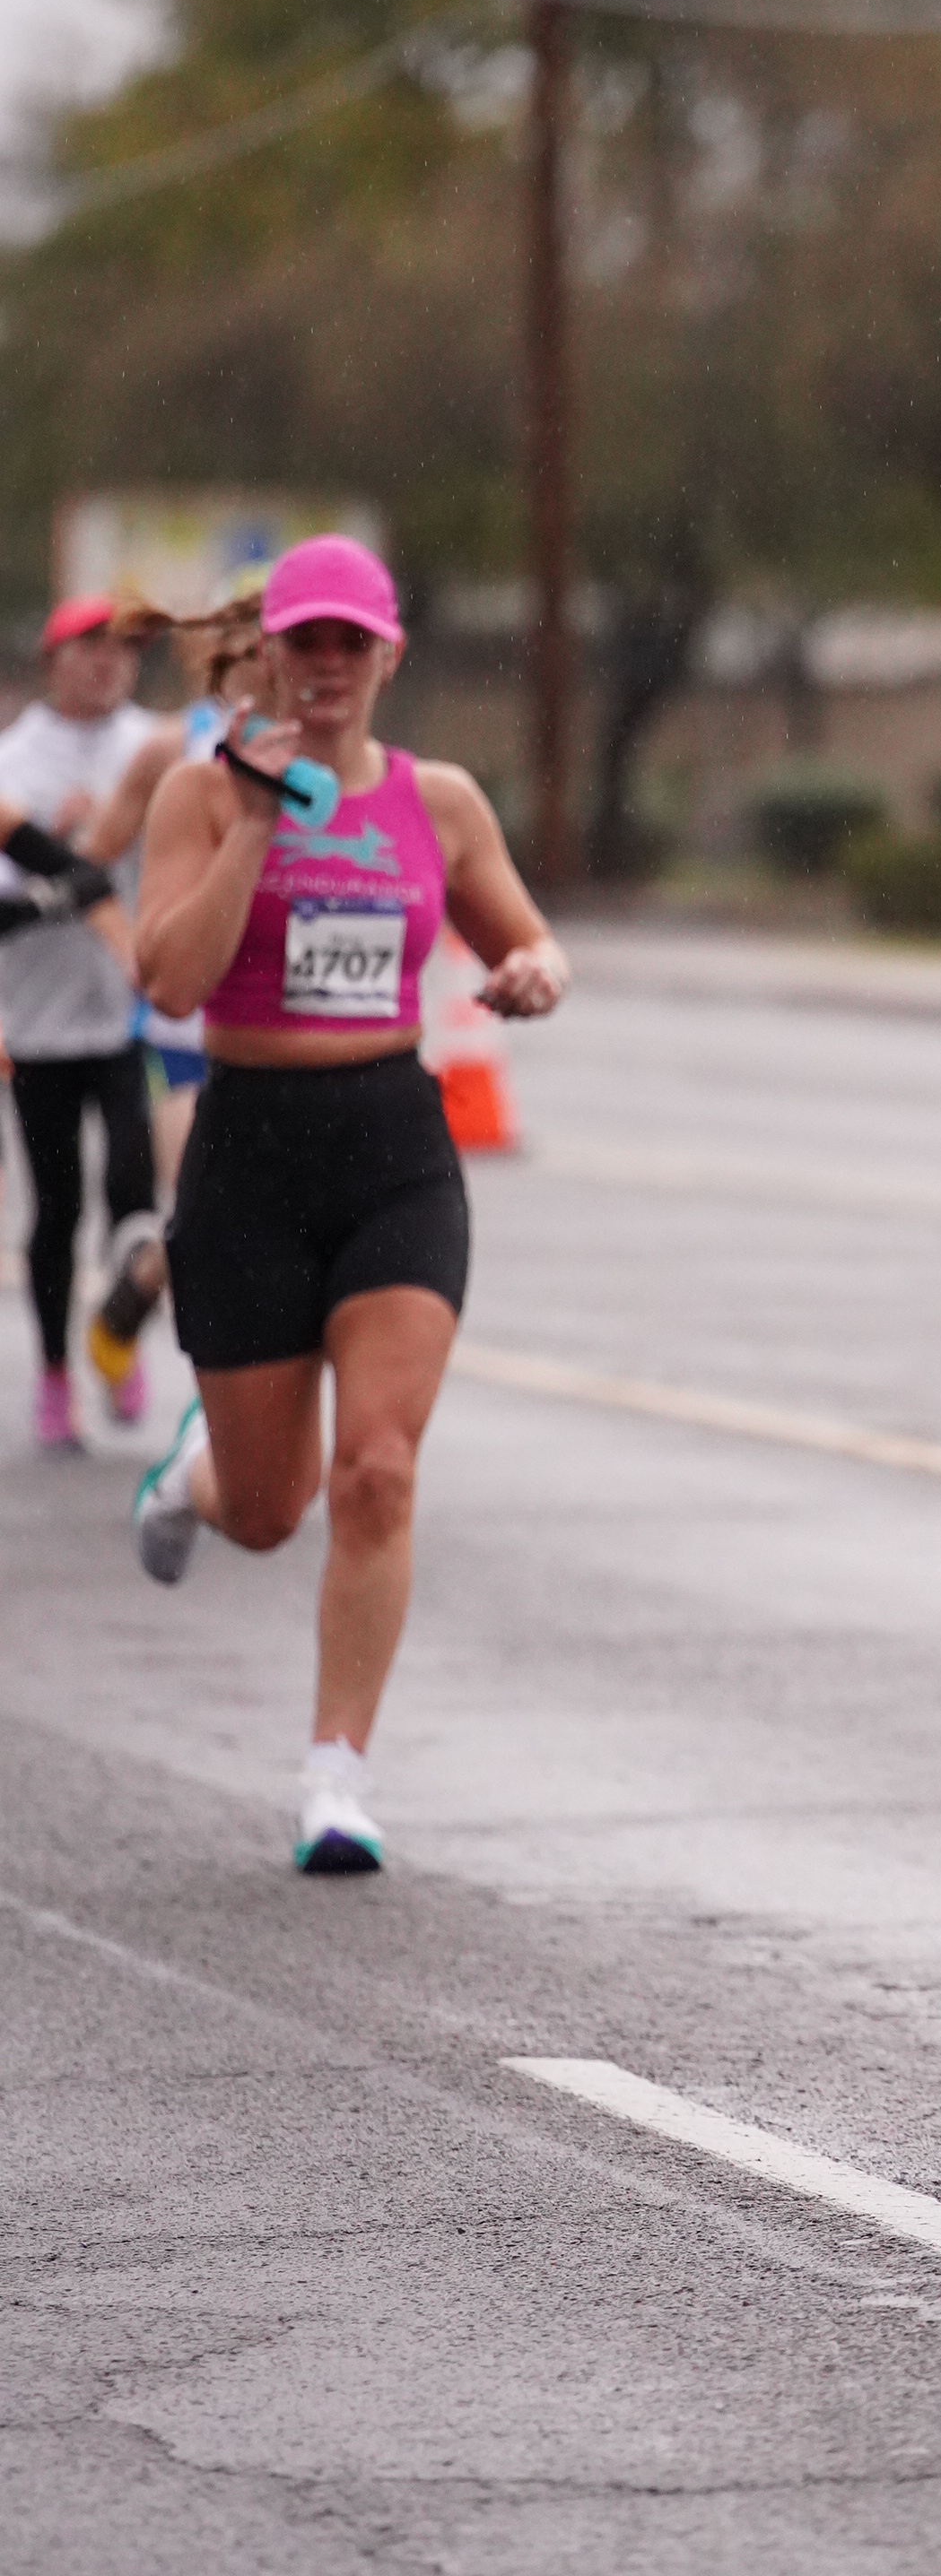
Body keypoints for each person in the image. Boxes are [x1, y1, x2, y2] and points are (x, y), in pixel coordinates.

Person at [127, 533, 568, 1877]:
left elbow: (526, 936)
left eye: (348, 644)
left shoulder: (439, 802)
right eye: (303, 641)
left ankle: (336, 1776)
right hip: (247, 1153)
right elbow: (169, 981)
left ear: (388, 657)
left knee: (376, 1469)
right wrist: (262, 821)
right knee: (271, 1512)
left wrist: (536, 972)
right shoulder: (198, 796)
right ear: (267, 654)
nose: (325, 665)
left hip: (392, 1149)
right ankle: (198, 1476)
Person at [70, 580, 273, 1394]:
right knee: (209, 1208)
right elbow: (90, 863)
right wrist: (130, 942)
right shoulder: (174, 747)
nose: (278, 656)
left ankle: (147, 1274)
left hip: (280, 1022)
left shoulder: (330, 750)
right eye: (258, 637)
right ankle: (209, 1392)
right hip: (182, 1030)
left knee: (269, 1215)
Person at [0, 594, 163, 1447]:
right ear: (53, 659)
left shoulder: (155, 747)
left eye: (123, 650)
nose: (108, 663)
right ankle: (56, 1373)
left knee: (136, 1196)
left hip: (132, 1015)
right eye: (90, 648)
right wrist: (68, 872)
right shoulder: (15, 761)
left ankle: (119, 1334)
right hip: (39, 1020)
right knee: (57, 1207)